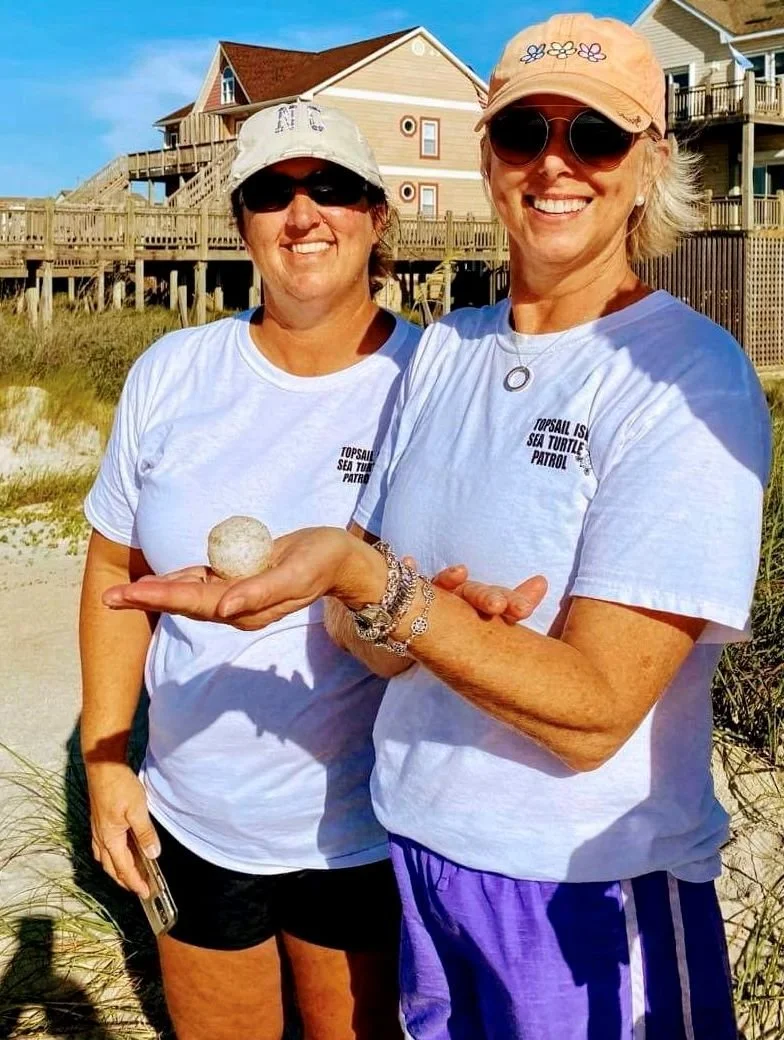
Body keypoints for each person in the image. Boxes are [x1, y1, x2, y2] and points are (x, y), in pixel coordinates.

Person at [103, 15, 772, 1039]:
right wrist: (424, 618)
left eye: (593, 136)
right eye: (522, 134)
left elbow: (595, 710)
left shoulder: (687, 374)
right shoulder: (449, 350)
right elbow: (364, 642)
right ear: (487, 158)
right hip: (419, 857)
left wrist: (379, 588)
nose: (555, 163)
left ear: (650, 163)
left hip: (582, 883)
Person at [80, 101, 546, 1040]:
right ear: (241, 221)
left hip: (369, 827)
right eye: (271, 192)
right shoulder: (172, 372)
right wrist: (105, 760)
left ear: (378, 217)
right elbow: (114, 569)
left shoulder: (435, 380)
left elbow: (464, 586)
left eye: (331, 187)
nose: (303, 215)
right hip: (193, 813)